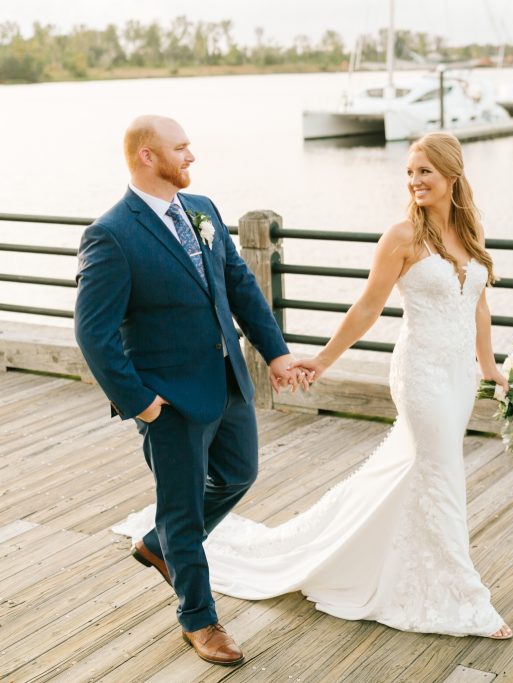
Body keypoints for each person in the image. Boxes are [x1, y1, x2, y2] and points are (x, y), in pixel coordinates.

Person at [113, 131, 513, 639]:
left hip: (457, 377)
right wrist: (321, 360)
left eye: (424, 172)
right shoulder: (401, 238)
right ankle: (463, 595)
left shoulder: (470, 233)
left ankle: (390, 562)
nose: (414, 181)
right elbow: (368, 308)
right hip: (421, 376)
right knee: (442, 473)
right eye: (410, 172)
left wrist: (490, 368)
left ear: (452, 176)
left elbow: (476, 303)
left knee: (424, 472)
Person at [78, 115, 304, 666]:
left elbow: (239, 283)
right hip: (169, 399)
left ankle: (158, 546)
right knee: (181, 512)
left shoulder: (202, 210)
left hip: (228, 381)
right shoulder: (111, 233)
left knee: (239, 473)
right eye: (181, 149)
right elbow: (93, 331)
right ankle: (199, 620)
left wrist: (274, 353)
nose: (192, 158)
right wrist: (141, 403)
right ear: (148, 157)